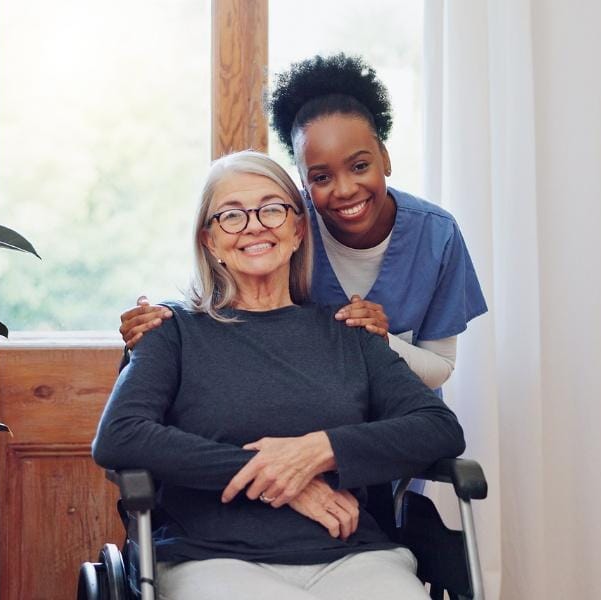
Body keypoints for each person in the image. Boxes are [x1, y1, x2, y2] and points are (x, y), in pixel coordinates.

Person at [92, 151, 466, 599]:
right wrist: (278, 478)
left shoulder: (349, 331)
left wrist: (319, 450)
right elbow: (121, 436)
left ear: (297, 228)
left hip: (353, 557)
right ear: (209, 240)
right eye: (231, 215)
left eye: (271, 209)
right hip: (214, 558)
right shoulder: (171, 331)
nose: (254, 225)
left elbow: (439, 429)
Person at [119, 53, 487, 391]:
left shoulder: (437, 236)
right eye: (321, 177)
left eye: (360, 166)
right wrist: (162, 323)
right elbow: (226, 311)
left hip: (402, 418)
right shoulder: (283, 230)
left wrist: (380, 337)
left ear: (385, 158)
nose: (344, 189)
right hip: (313, 414)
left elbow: (440, 366)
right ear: (302, 182)